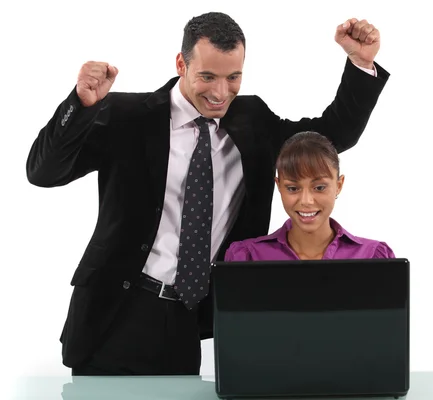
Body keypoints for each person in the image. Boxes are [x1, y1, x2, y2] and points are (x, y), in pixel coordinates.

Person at [26, 12, 390, 376]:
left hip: (188, 317)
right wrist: (81, 106)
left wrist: (361, 63)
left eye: (233, 77)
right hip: (115, 310)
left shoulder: (253, 120)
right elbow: (44, 173)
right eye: (207, 77)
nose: (220, 93)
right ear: (181, 64)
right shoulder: (128, 116)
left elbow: (328, 138)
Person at [225, 131, 395, 261]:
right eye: (293, 188)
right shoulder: (249, 257)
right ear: (279, 186)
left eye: (319, 187)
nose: (306, 201)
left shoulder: (373, 256)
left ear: (338, 185)